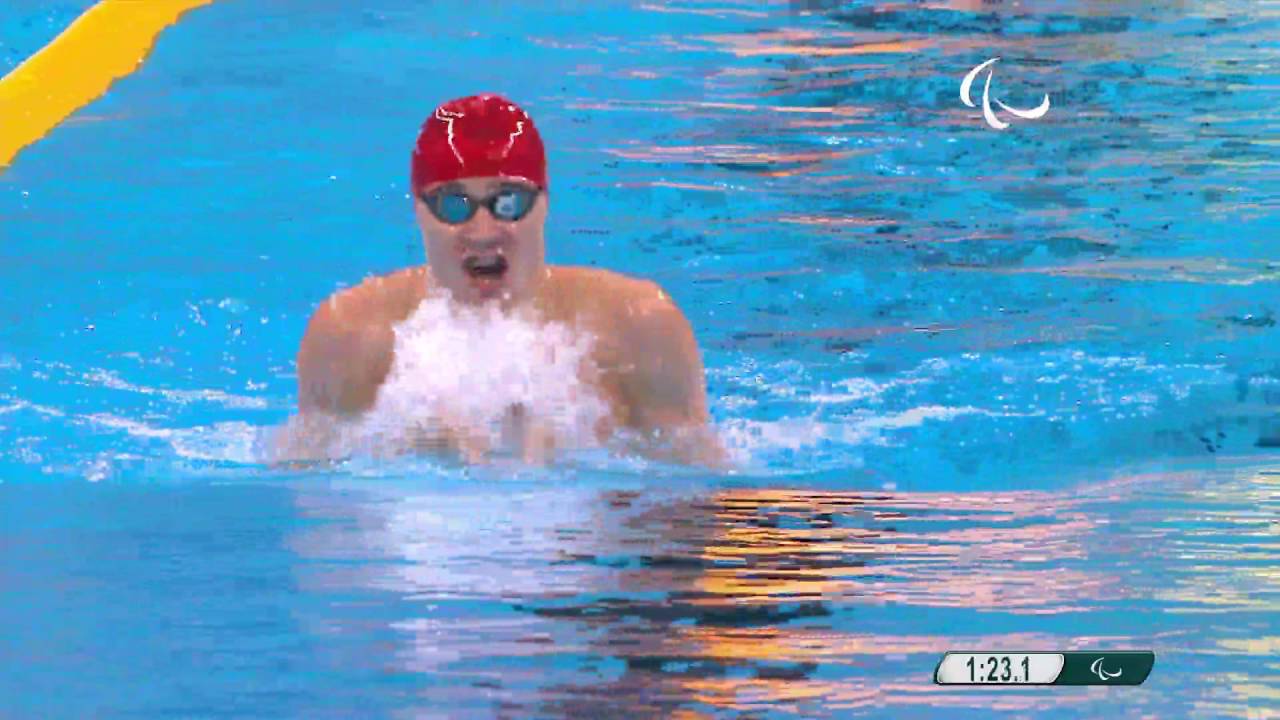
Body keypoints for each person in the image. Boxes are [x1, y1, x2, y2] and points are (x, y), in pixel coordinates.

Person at [292, 93, 726, 467]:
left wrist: (580, 455)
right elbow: (312, 499)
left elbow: (698, 497)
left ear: (545, 203)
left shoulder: (638, 326)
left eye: (508, 202)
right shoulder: (348, 334)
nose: (482, 232)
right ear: (418, 210)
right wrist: (404, 451)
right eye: (454, 205)